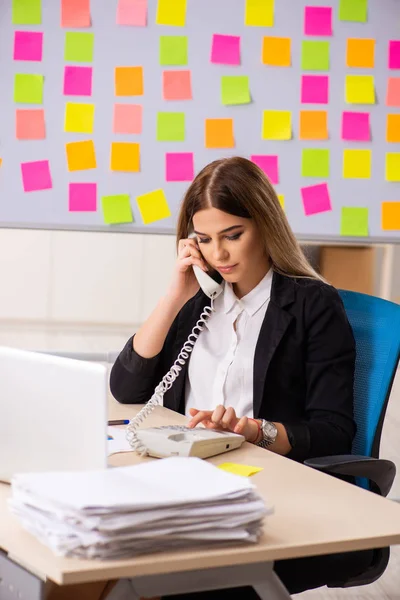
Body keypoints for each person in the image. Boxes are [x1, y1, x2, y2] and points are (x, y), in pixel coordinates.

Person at [109, 157, 373, 598]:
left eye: (233, 235)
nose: (219, 254)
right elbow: (127, 387)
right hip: (187, 477)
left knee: (156, 572)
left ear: (265, 225)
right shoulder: (198, 300)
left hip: (264, 486)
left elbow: (334, 431)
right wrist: (175, 294)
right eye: (205, 240)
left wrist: (256, 431)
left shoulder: (313, 306)